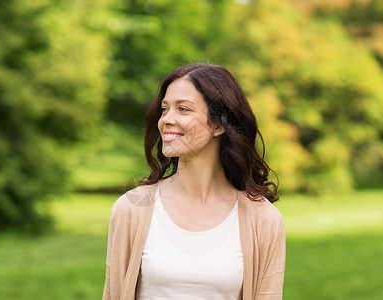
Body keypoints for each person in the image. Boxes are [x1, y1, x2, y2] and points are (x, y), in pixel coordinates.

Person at [103, 63, 285, 300]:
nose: (166, 120)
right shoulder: (131, 209)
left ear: (219, 124)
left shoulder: (262, 219)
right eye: (165, 109)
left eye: (183, 109)